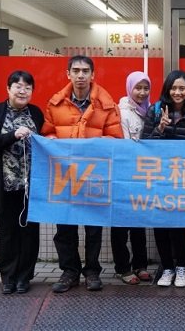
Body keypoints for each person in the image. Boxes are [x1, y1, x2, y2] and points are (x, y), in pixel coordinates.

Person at [42, 55, 123, 293]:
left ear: (92, 74)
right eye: (75, 70)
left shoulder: (106, 104)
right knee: (64, 227)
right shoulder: (55, 104)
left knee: (93, 227)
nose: (80, 75)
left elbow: (116, 139)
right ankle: (69, 271)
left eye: (85, 71)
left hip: (94, 175)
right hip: (64, 176)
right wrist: (51, 140)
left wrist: (92, 145)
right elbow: (46, 134)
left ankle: (92, 271)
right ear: (67, 74)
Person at [0, 71, 44, 294]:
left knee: (29, 232)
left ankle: (25, 277)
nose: (22, 90)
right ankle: (8, 277)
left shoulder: (36, 113)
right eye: (17, 86)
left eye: (27, 87)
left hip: (30, 188)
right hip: (4, 186)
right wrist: (13, 135)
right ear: (8, 89)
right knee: (7, 232)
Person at [142, 70, 185, 288]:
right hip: (159, 176)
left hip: (184, 178)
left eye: (182, 88)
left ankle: (182, 267)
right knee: (159, 223)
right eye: (173, 88)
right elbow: (144, 143)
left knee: (178, 225)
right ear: (167, 89)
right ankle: (167, 267)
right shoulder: (155, 110)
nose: (177, 92)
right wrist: (160, 128)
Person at [112, 71, 151, 284]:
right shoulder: (122, 112)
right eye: (138, 88)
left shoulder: (150, 111)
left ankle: (141, 265)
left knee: (138, 223)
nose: (142, 92)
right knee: (120, 225)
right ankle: (122, 267)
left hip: (142, 175)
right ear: (129, 88)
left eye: (146, 88)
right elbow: (124, 143)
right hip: (123, 175)